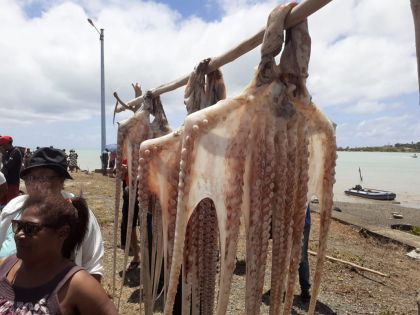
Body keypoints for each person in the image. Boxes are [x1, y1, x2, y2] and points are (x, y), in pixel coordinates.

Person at [0, 194, 118, 314]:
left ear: (62, 233)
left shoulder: (78, 284)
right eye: (18, 226)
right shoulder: (4, 266)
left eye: (30, 228)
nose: (19, 235)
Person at [0, 147, 104, 281]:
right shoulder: (13, 207)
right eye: (31, 178)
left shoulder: (76, 213)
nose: (36, 185)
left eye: (44, 178)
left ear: (62, 181)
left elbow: (93, 268)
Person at [120, 157, 140, 270]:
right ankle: (136, 257)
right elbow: (121, 177)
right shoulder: (126, 157)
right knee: (129, 224)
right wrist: (123, 171)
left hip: (146, 193)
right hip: (129, 193)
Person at [0, 136, 22, 204]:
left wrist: (4, 155)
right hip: (6, 183)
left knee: (11, 205)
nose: (1, 147)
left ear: (6, 144)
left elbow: (7, 166)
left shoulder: (15, 151)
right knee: (3, 204)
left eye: (2, 145)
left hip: (12, 183)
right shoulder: (9, 152)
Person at [299, 205, 311, 302]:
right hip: (284, 222)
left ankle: (305, 288)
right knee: (281, 255)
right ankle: (278, 287)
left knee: (302, 257)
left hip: (302, 224)